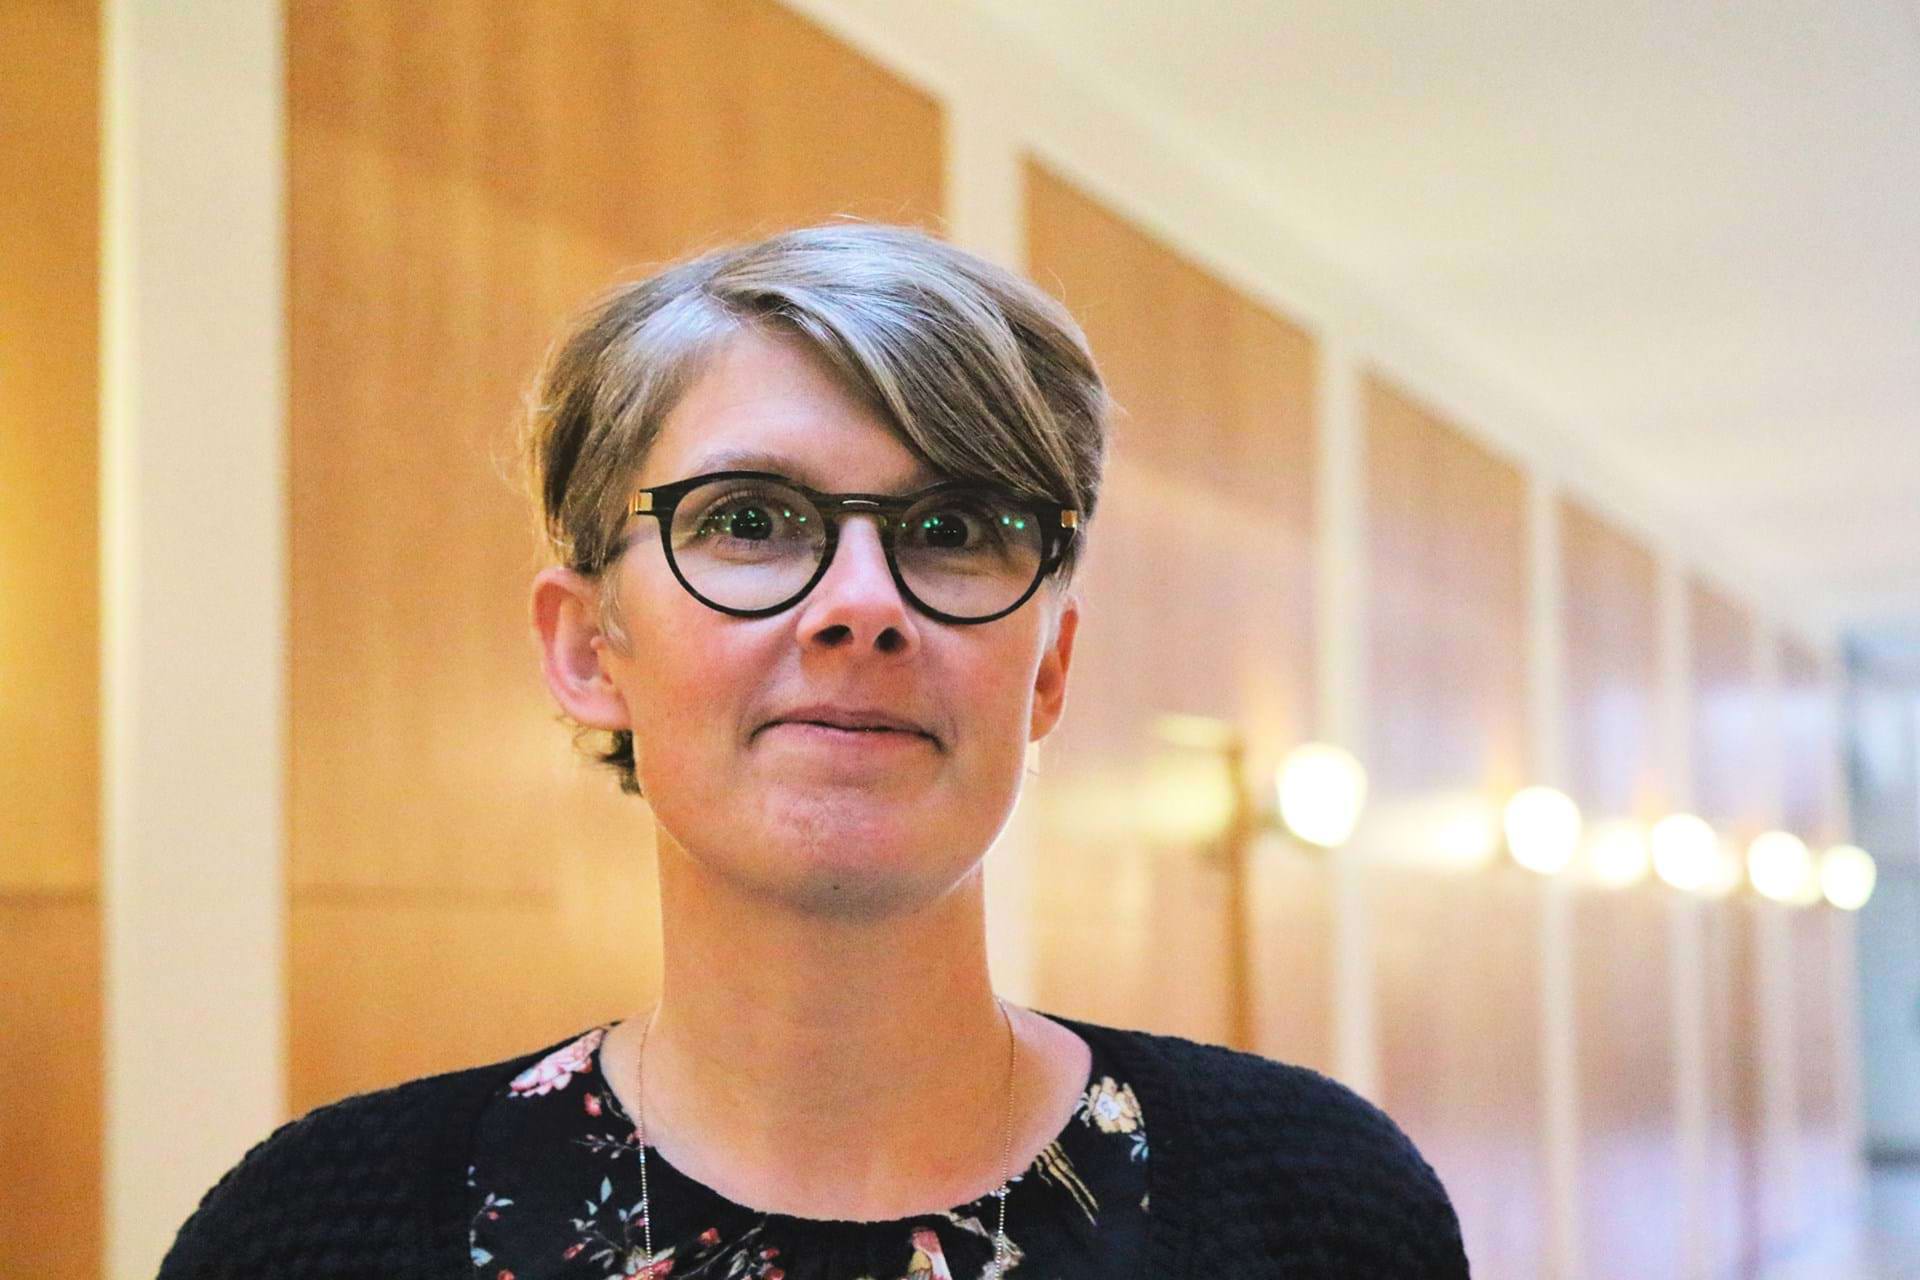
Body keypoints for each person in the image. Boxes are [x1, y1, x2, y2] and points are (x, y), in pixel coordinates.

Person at [159, 223, 1468, 1279]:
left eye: (954, 529)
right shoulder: (309, 1236)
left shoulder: (1320, 1206)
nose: (863, 603)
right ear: (591, 648)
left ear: (1047, 671)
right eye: (748, 519)